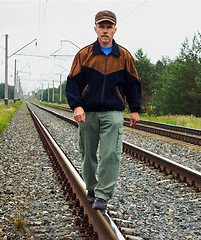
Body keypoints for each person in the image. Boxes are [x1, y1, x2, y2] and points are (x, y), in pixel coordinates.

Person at [65, 10, 142, 210]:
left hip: (113, 112)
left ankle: (103, 195)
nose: (105, 31)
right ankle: (91, 188)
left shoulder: (124, 56)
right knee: (88, 153)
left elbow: (133, 84)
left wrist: (134, 109)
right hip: (87, 113)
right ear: (95, 29)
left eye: (109, 27)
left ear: (115, 29)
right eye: (102, 26)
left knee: (111, 154)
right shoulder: (84, 55)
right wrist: (77, 105)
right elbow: (72, 83)